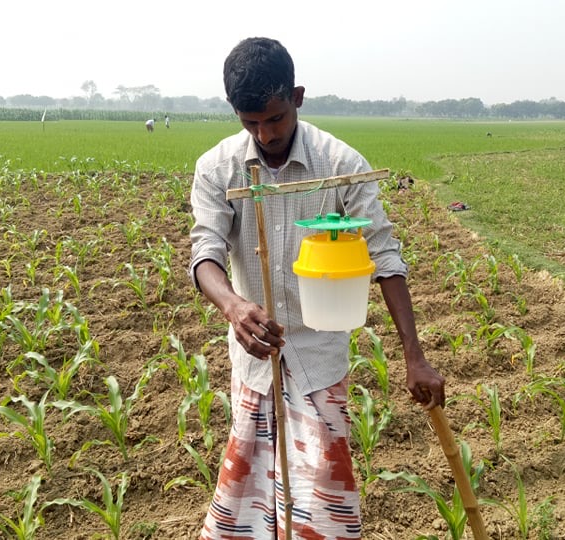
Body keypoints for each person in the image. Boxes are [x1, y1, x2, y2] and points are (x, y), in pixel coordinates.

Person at [189, 37, 446, 539]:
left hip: (318, 354)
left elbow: (384, 256)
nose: (264, 134)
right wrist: (235, 305)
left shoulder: (341, 164)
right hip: (255, 356)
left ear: (298, 97)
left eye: (275, 118)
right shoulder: (218, 168)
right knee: (250, 489)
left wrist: (414, 354)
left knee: (322, 489)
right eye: (250, 123)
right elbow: (205, 253)